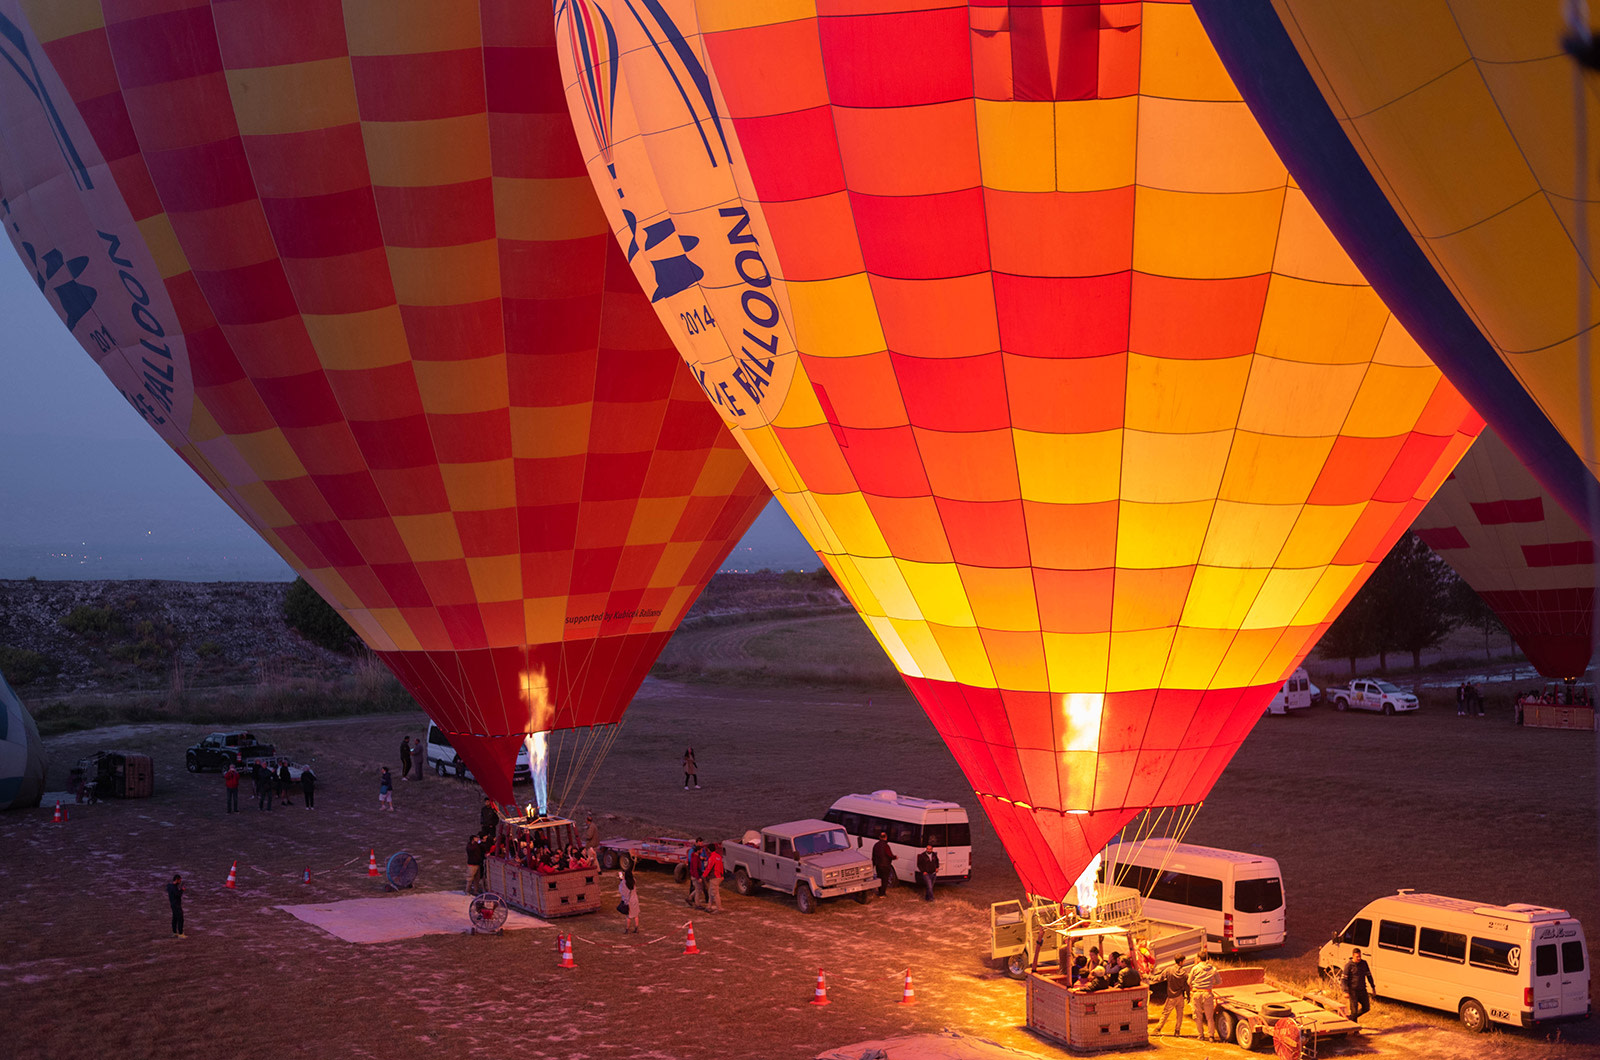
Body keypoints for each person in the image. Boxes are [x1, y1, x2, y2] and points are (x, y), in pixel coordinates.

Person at [1154, 954, 1189, 1036]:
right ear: (1180, 962)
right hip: (1180, 996)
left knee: (1165, 1013)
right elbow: (1187, 986)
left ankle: (1158, 1028)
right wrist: (1188, 996)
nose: (1184, 962)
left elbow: (1158, 978)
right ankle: (1177, 1031)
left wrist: (1148, 977)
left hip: (1171, 997)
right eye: (1184, 961)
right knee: (1180, 1014)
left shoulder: (1169, 970)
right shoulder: (1184, 974)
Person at [1187, 952, 1220, 1042]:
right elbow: (1219, 981)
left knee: (1198, 1016)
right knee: (1209, 1017)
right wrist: (1210, 983)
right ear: (1207, 959)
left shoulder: (1195, 968)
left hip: (1196, 993)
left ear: (1198, 959)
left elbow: (1189, 982)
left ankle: (1201, 1035)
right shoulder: (1213, 969)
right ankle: (1211, 1036)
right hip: (1207, 993)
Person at [1343, 947, 1376, 1022]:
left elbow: (1369, 975)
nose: (1359, 958)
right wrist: (1345, 991)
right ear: (1353, 956)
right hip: (1353, 991)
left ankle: (1350, 1018)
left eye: (1360, 956)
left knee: (1366, 1008)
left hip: (1362, 990)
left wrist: (1373, 987)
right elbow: (1344, 979)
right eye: (1357, 957)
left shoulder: (1364, 963)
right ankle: (1355, 1030)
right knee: (1354, 1011)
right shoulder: (1348, 965)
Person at [871, 830, 895, 896]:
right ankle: (882, 893)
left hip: (878, 865)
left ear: (879, 837)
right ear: (886, 837)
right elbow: (889, 855)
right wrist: (894, 857)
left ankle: (879, 891)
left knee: (880, 878)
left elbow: (873, 856)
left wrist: (873, 864)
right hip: (885, 865)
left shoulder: (876, 845)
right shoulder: (886, 846)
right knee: (885, 879)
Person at [704, 842, 725, 913]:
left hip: (714, 877)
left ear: (709, 850)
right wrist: (722, 875)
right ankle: (709, 906)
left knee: (715, 893)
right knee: (711, 892)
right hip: (719, 876)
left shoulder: (712, 858)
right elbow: (721, 866)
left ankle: (719, 908)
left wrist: (704, 875)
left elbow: (709, 868)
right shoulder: (718, 856)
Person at [687, 838, 707, 908]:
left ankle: (689, 898)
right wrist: (698, 877)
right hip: (696, 876)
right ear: (698, 851)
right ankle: (697, 904)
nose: (702, 851)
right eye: (701, 850)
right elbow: (695, 869)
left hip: (694, 875)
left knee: (698, 889)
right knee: (699, 889)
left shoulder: (694, 856)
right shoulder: (695, 858)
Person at [619, 867, 639, 933]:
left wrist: (621, 880)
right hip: (635, 900)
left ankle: (627, 929)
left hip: (629, 901)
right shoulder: (633, 880)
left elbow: (622, 891)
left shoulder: (624, 883)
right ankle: (636, 928)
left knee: (628, 916)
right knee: (636, 915)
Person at [166, 873, 186, 938]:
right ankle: (180, 933)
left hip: (172, 905)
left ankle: (174, 932)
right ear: (177, 880)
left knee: (174, 918)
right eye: (179, 880)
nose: (180, 882)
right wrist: (182, 890)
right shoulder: (174, 888)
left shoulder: (169, 886)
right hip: (177, 905)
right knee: (180, 919)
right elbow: (178, 894)